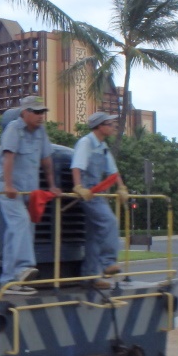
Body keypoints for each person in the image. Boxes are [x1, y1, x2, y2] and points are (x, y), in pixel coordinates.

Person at [0, 96, 61, 295]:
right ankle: (23, 269)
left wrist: (52, 186)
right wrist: (8, 185)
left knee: (21, 231)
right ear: (25, 112)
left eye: (43, 112)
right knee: (21, 222)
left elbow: (47, 161)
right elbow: (9, 158)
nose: (41, 116)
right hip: (9, 189)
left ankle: (8, 280)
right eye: (37, 112)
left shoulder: (41, 132)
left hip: (30, 190)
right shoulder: (14, 130)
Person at [71, 111, 129, 289]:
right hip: (88, 193)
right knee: (109, 221)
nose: (113, 127)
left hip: (98, 194)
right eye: (110, 124)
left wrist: (121, 187)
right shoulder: (86, 143)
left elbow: (113, 171)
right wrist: (79, 187)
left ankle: (90, 276)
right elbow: (77, 166)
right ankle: (108, 262)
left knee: (94, 235)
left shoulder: (102, 146)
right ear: (99, 126)